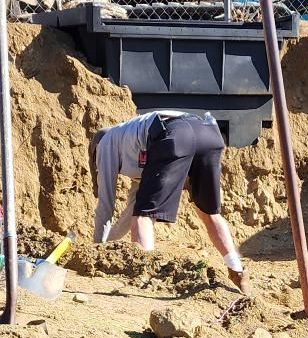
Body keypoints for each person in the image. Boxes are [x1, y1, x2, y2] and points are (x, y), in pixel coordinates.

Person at [90, 110, 246, 288]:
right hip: (208, 133)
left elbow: (106, 204)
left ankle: (144, 279)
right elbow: (133, 208)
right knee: (208, 212)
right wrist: (106, 248)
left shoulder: (106, 144)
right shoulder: (134, 145)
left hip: (175, 133)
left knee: (144, 216)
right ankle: (237, 270)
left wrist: (96, 251)